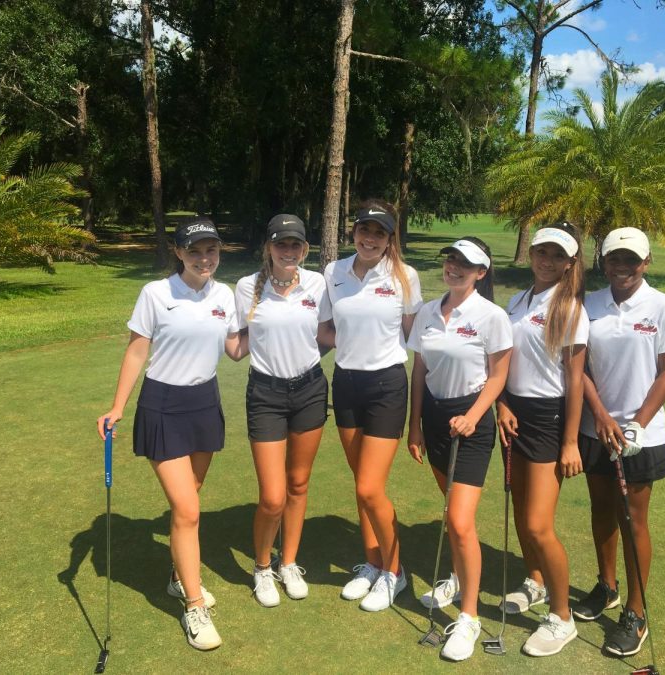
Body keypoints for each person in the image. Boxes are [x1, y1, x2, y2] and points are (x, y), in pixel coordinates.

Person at [97, 218, 245, 651]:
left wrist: (268, 326)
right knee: (186, 509)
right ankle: (194, 605)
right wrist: (118, 406)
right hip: (162, 406)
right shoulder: (157, 294)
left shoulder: (225, 294)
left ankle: (179, 576)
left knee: (192, 498)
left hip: (204, 404)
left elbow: (235, 349)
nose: (205, 259)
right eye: (195, 251)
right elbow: (137, 349)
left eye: (212, 250)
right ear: (179, 253)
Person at [573, 226, 665, 658]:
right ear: (603, 261)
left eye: (630, 260)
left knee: (633, 519)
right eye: (614, 259)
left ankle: (637, 613)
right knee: (601, 511)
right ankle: (607, 587)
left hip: (643, 435)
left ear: (646, 263)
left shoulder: (664, 307)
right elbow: (579, 368)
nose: (621, 267)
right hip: (595, 428)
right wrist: (601, 417)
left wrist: (638, 423)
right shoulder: (589, 305)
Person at [406, 237, 512, 662]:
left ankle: (468, 617)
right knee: (449, 508)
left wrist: (473, 415)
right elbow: (420, 369)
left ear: (481, 273)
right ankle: (455, 574)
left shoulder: (491, 316)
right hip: (433, 419)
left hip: (471, 424)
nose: (454, 267)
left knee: (460, 519)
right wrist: (414, 424)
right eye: (451, 260)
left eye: (465, 264)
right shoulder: (430, 311)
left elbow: (498, 375)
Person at [322, 201, 422, 612]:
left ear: (389, 239)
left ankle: (394, 573)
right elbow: (325, 329)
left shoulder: (404, 276)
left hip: (386, 385)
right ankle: (372, 562)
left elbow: (414, 337)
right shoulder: (334, 272)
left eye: (379, 233)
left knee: (369, 486)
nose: (370, 238)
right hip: (345, 383)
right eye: (364, 229)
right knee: (360, 485)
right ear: (354, 231)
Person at [495, 223, 588, 657]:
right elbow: (506, 362)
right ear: (531, 253)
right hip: (515, 412)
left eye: (556, 255)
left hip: (550, 418)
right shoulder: (518, 300)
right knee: (519, 506)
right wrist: (502, 404)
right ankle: (533, 580)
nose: (546, 261)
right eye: (541, 252)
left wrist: (570, 442)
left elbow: (575, 380)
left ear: (570, 262)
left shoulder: (570, 309)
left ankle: (562, 616)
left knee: (537, 523)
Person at [234, 214, 331, 608]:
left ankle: (288, 561)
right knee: (272, 497)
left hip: (309, 389)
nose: (288, 251)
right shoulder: (246, 288)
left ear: (305, 249)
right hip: (266, 395)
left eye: (295, 244)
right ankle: (262, 566)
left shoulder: (317, 283)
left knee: (299, 485)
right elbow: (236, 340)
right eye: (281, 244)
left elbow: (326, 334)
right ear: (268, 248)